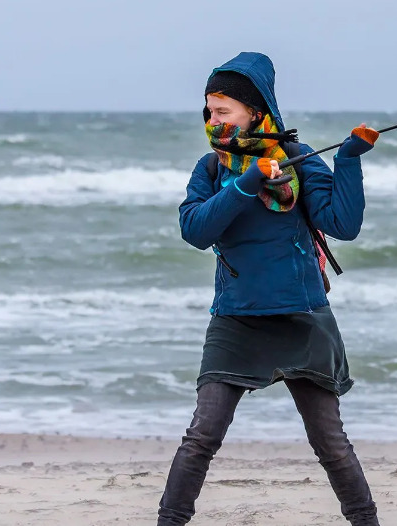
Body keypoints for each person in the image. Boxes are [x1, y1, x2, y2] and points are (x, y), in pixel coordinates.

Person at [157, 52, 381, 526]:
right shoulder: (213, 169)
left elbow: (343, 224)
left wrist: (348, 161)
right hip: (237, 317)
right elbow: (195, 230)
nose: (212, 120)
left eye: (223, 111)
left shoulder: (299, 160)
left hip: (302, 316)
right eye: (209, 111)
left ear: (255, 112)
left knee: (331, 444)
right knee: (201, 437)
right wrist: (247, 180)